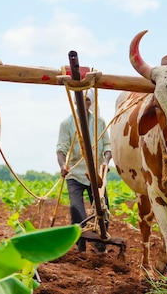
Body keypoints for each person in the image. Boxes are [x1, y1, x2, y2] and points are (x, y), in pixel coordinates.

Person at [56, 88, 112, 253]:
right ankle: (80, 244)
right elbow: (61, 149)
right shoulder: (67, 124)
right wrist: (62, 166)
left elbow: (108, 146)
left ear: (91, 103)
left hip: (96, 175)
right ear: (75, 101)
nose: (83, 103)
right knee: (75, 208)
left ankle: (100, 244)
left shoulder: (99, 122)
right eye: (80, 100)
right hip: (75, 175)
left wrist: (106, 161)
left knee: (102, 208)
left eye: (87, 100)